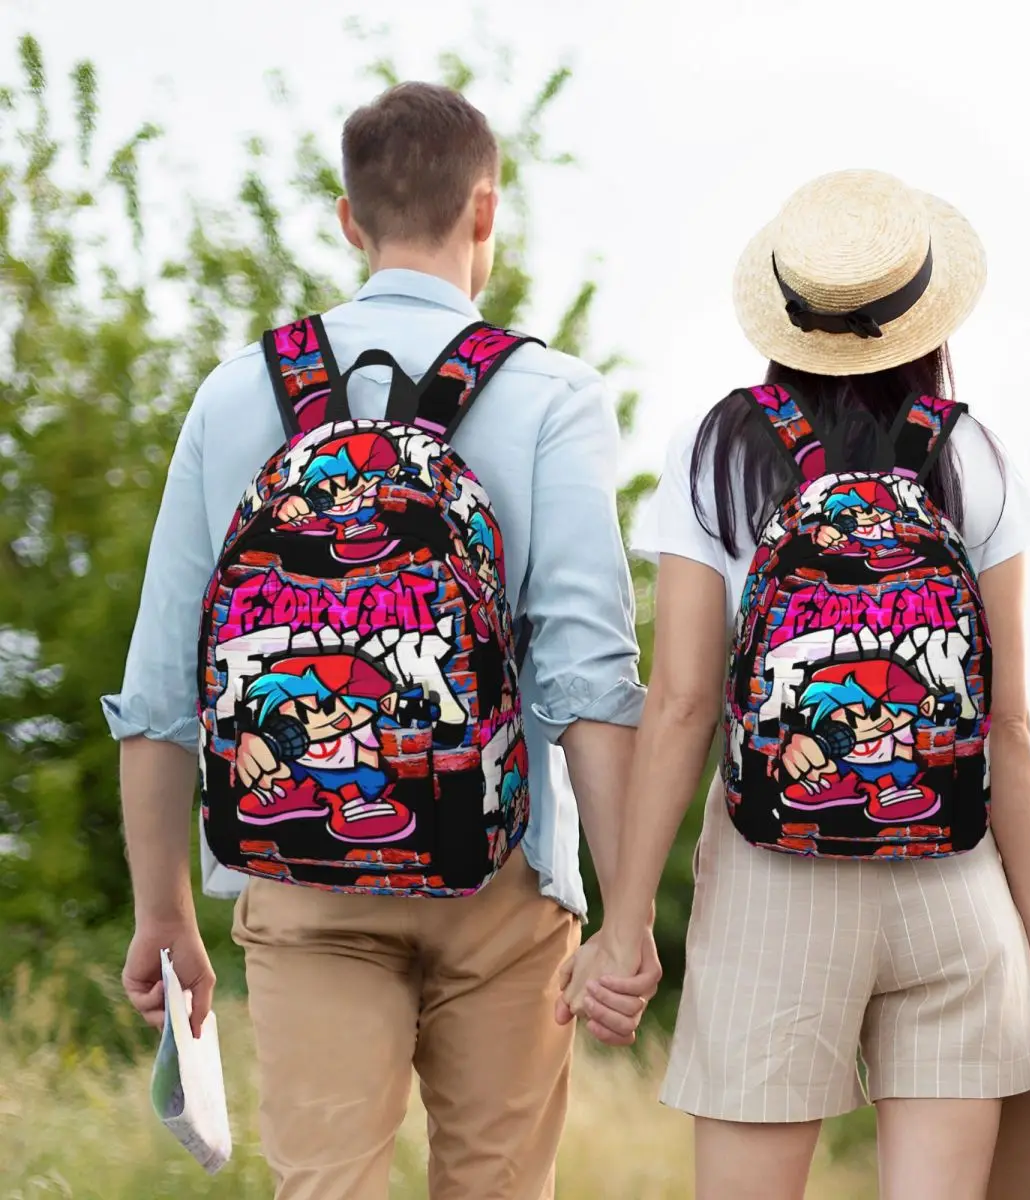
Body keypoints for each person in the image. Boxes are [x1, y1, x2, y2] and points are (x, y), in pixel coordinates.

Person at [104, 81, 660, 1200]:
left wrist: (163, 912)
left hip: (298, 870)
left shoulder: (235, 395)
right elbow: (589, 678)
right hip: (502, 874)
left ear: (349, 220)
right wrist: (627, 914)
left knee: (325, 1187)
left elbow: (163, 684)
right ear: (486, 212)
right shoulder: (550, 394)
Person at [558, 169, 1030, 1200]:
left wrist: (624, 926)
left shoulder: (718, 451)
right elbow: (1010, 723)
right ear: (925, 315)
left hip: (771, 883)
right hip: (953, 880)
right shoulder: (972, 454)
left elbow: (682, 706)